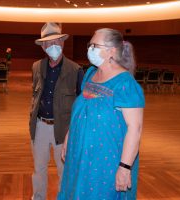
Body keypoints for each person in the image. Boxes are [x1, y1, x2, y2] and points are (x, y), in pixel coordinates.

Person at [58, 28, 145, 199]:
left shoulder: (125, 84)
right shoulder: (90, 74)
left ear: (111, 51)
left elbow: (135, 129)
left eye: (94, 45)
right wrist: (69, 136)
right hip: (79, 153)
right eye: (90, 45)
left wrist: (125, 167)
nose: (90, 49)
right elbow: (81, 110)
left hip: (106, 160)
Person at [30, 22, 84, 200]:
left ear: (62, 42)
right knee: (39, 169)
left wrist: (74, 130)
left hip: (64, 129)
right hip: (40, 126)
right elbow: (35, 94)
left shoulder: (75, 70)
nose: (53, 46)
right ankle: (38, 197)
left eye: (56, 41)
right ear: (43, 46)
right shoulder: (36, 66)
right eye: (48, 43)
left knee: (64, 170)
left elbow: (81, 103)